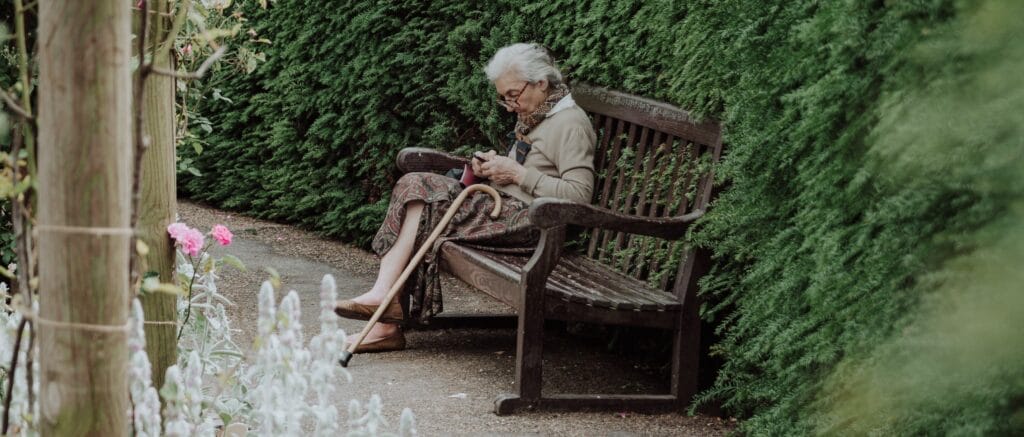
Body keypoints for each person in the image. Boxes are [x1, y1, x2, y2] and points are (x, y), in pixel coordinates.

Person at [334, 42, 597, 352]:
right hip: (505, 210)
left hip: (534, 225)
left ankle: (385, 317)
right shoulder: (538, 114)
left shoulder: (570, 123)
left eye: (513, 95)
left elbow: (580, 196)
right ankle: (384, 308)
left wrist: (516, 174)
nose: (510, 105)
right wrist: (490, 169)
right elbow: (528, 169)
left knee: (422, 196)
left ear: (541, 82)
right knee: (415, 187)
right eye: (504, 98)